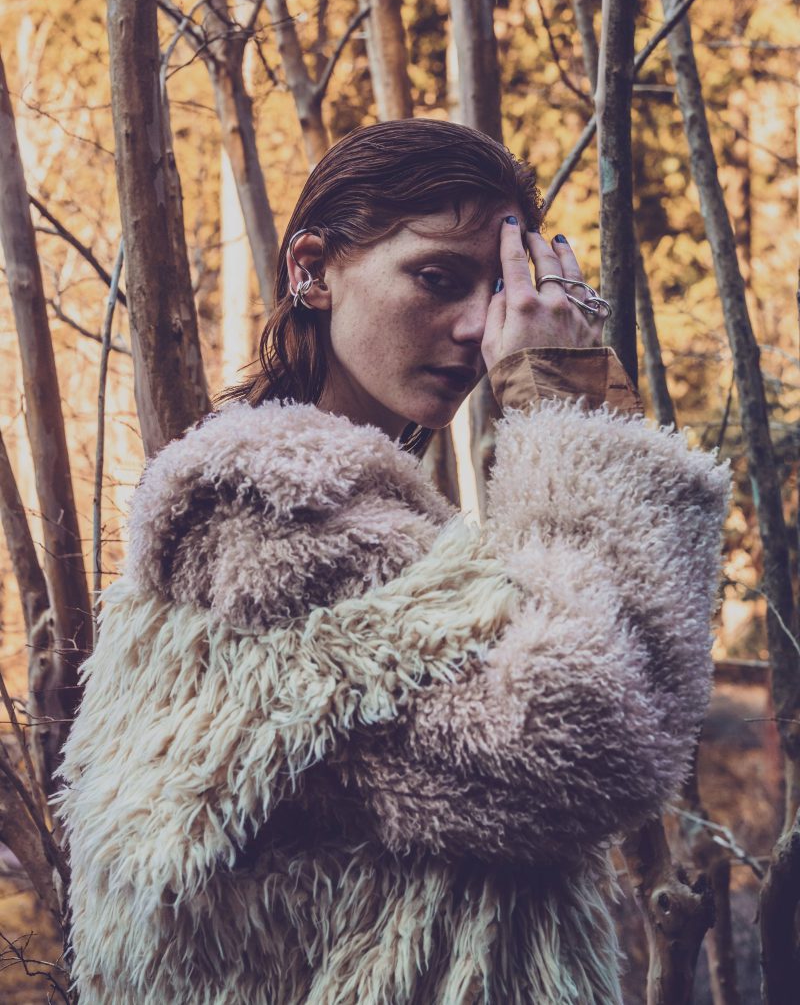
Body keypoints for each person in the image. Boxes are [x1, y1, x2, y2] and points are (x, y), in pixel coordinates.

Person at [56, 119, 729, 1004]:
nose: (476, 329)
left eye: (498, 293)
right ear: (312, 269)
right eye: (437, 278)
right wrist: (567, 414)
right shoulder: (265, 508)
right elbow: (592, 737)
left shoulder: (366, 513)